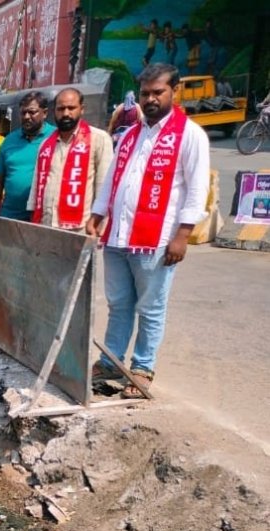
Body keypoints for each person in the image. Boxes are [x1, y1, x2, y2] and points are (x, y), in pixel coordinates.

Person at [87, 63, 210, 398]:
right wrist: (97, 214)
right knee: (119, 304)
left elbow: (198, 190)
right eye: (146, 93)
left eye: (159, 92)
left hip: (155, 240)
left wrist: (182, 235)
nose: (151, 99)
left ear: (175, 91)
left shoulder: (190, 135)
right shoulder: (131, 134)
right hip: (118, 235)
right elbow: (113, 179)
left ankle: (142, 369)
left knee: (151, 307)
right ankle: (111, 362)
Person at [28, 88, 113, 230]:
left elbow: (104, 187)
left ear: (82, 109)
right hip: (46, 225)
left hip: (80, 229)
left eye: (71, 108)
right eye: (61, 109)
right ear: (54, 111)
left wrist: (100, 225)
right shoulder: (46, 144)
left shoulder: (99, 139)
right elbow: (36, 186)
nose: (66, 113)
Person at [0, 91, 55, 221]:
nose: (26, 116)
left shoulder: (55, 138)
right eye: (23, 112)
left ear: (45, 113)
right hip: (10, 216)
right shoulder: (9, 141)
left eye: (32, 112)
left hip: (44, 218)